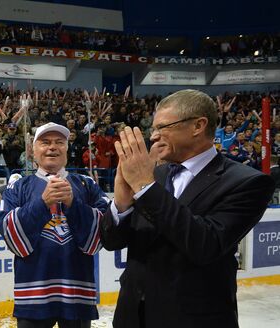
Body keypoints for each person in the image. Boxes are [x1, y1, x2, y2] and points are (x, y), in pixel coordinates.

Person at [102, 89, 275, 328]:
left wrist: (144, 185)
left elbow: (204, 244)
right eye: (154, 129)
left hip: (193, 319)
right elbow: (113, 242)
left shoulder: (247, 182)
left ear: (198, 126)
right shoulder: (154, 176)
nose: (154, 137)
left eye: (163, 127)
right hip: (132, 317)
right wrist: (121, 203)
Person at [0, 122, 109, 328]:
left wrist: (74, 204)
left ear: (67, 149)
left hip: (77, 292)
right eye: (45, 142)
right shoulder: (17, 187)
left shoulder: (87, 184)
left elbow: (104, 231)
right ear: (33, 150)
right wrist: (42, 203)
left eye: (59, 142)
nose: (52, 147)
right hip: (32, 293)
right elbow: (9, 232)